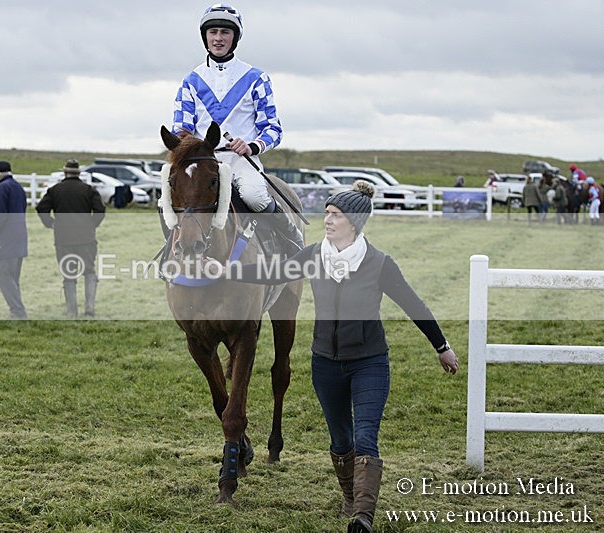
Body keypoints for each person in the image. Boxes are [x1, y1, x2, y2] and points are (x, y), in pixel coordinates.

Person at [204, 182, 458, 533]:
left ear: (353, 222)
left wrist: (442, 347)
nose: (327, 220)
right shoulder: (312, 256)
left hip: (370, 363)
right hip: (325, 365)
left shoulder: (379, 263)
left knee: (366, 436)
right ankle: (350, 499)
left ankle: (363, 516)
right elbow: (271, 273)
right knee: (341, 441)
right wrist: (227, 271)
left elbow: (414, 305)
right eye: (326, 213)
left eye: (335, 215)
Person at [172, 3, 303, 253]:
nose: (218, 38)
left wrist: (251, 145)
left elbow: (273, 129)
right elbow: (181, 128)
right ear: (205, 37)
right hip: (203, 162)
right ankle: (173, 252)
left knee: (255, 196)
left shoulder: (256, 78)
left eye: (225, 32)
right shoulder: (191, 80)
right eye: (213, 33)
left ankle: (291, 237)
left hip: (241, 160)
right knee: (166, 200)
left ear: (235, 37)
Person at [36, 160, 106, 317]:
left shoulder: (55, 190)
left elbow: (41, 208)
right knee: (89, 271)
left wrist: (50, 224)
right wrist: (92, 225)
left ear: (65, 172)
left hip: (63, 238)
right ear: (78, 173)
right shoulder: (89, 190)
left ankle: (72, 311)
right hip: (86, 238)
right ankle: (89, 309)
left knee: (69, 275)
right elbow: (100, 210)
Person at [0, 160, 28, 319]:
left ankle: (17, 311)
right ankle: (17, 310)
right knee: (13, 277)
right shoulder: (18, 187)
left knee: (3, 275)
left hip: (7, 238)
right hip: (20, 236)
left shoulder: (2, 189)